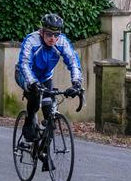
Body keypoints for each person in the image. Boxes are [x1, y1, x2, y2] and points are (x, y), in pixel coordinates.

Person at [14, 13, 82, 144]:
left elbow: (73, 61)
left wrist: (77, 83)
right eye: (49, 34)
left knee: (48, 109)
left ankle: (45, 153)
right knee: (34, 97)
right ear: (42, 32)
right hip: (24, 74)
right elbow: (24, 63)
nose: (53, 38)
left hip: (45, 77)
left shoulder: (62, 41)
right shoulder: (31, 41)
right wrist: (33, 82)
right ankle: (29, 121)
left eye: (56, 35)